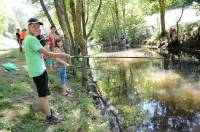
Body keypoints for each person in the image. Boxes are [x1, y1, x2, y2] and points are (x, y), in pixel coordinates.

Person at [23, 18, 70, 124]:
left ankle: (48, 111)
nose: (36, 28)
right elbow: (48, 54)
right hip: (38, 72)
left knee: (44, 93)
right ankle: (49, 117)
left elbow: (40, 53)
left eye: (38, 27)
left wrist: (42, 55)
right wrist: (64, 55)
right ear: (29, 27)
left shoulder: (30, 38)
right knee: (43, 95)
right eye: (33, 26)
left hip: (38, 70)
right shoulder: (31, 39)